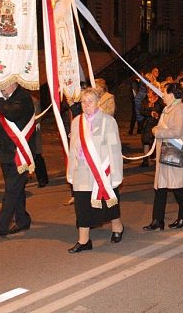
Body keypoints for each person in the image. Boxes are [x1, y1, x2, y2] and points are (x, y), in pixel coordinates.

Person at [65, 88, 124, 253]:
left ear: (98, 103)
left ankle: (117, 226)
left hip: (103, 172)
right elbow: (72, 149)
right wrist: (70, 171)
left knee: (108, 203)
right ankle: (84, 241)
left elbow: (114, 149)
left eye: (90, 101)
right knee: (82, 205)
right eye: (83, 101)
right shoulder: (76, 121)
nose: (86, 105)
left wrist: (117, 175)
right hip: (82, 171)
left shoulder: (108, 121)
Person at [0, 82, 36, 237]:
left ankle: (2, 226)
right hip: (5, 152)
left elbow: (11, 114)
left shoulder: (24, 98)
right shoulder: (2, 98)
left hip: (21, 154)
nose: (1, 90)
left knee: (11, 191)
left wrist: (0, 100)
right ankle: (22, 220)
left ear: (13, 83)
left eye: (3, 87)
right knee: (16, 190)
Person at [143, 83, 183, 231]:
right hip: (165, 152)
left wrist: (157, 132)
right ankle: (157, 220)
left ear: (171, 94)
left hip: (175, 152)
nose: (162, 95)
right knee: (160, 187)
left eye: (164, 93)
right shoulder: (168, 108)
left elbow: (177, 131)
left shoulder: (180, 109)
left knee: (178, 187)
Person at [140, 88, 163, 168]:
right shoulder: (145, 101)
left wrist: (158, 115)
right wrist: (150, 113)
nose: (147, 94)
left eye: (149, 92)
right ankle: (145, 160)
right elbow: (141, 111)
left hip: (157, 124)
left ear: (154, 93)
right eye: (147, 92)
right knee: (146, 141)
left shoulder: (160, 101)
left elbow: (164, 111)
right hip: (147, 123)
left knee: (156, 141)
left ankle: (157, 158)